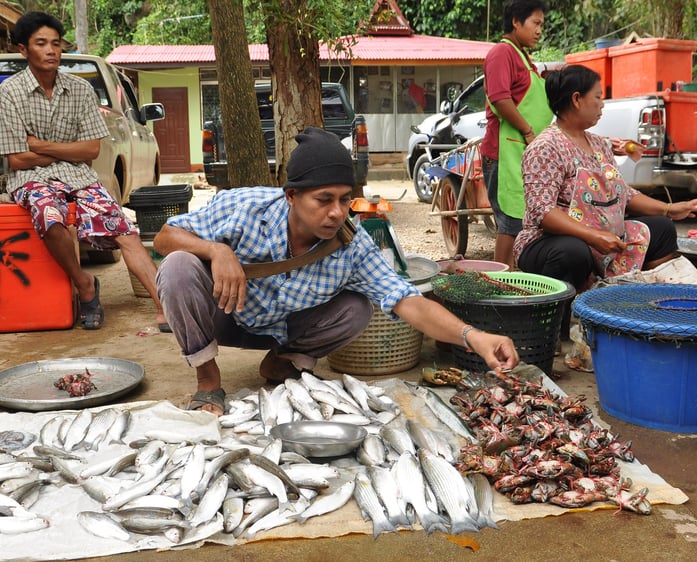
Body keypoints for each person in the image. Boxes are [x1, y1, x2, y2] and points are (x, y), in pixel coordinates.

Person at [154, 127, 520, 416]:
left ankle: (282, 364)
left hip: (284, 330)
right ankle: (208, 379)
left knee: (358, 308)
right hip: (224, 315)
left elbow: (407, 299)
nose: (337, 212)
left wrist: (473, 336)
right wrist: (216, 250)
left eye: (345, 199)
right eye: (323, 199)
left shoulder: (353, 244)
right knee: (179, 267)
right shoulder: (244, 206)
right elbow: (165, 238)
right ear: (291, 196)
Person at [0, 11, 167, 331]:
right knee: (49, 217)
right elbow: (17, 160)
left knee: (125, 232)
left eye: (56, 43)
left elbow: (90, 151)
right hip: (30, 179)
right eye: (41, 44)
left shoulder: (80, 90)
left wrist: (39, 145)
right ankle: (85, 284)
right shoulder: (9, 93)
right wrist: (62, 152)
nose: (51, 50)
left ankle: (166, 304)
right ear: (24, 50)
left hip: (80, 176)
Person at [514, 64, 697, 293]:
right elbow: (543, 213)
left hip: (601, 236)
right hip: (548, 242)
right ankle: (563, 319)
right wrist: (594, 236)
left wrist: (670, 208)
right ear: (577, 99)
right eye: (597, 97)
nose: (602, 104)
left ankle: (643, 297)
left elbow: (622, 193)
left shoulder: (598, 145)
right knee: (573, 252)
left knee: (663, 229)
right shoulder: (546, 147)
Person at [480, 0, 553, 270]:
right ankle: (500, 282)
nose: (539, 30)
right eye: (535, 23)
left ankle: (512, 280)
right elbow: (499, 98)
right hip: (505, 152)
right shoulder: (502, 52)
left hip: (521, 152)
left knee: (521, 222)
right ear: (515, 21)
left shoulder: (523, 57)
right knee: (510, 223)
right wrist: (528, 130)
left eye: (541, 25)